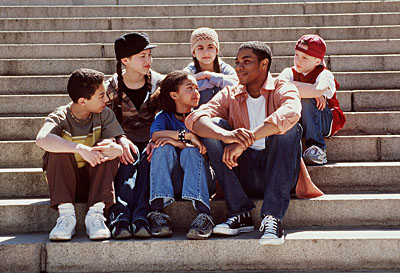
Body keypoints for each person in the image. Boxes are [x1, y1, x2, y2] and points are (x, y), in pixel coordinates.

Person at [185, 41, 323, 246]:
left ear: (264, 64)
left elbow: (291, 112)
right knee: (213, 126)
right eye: (237, 62)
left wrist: (246, 140)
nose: (239, 67)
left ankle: (273, 218)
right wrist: (225, 136)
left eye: (246, 62)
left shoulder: (282, 88)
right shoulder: (230, 93)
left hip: (278, 171)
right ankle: (240, 213)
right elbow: (195, 119)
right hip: (242, 172)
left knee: (288, 129)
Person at [36, 68, 124, 241]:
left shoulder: (105, 114)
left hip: (96, 184)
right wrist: (78, 148)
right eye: (101, 96)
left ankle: (96, 215)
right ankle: (66, 216)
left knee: (104, 147)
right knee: (56, 149)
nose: (106, 99)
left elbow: (113, 144)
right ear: (83, 101)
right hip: (66, 184)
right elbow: (41, 139)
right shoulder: (61, 115)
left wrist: (117, 150)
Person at [105, 32, 165, 239]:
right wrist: (119, 139)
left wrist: (156, 140)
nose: (148, 60)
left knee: (149, 162)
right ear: (125, 60)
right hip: (125, 140)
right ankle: (120, 218)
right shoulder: (111, 87)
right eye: (142, 56)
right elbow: (104, 119)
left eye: (150, 55)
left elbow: (167, 115)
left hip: (152, 141)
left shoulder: (159, 83)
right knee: (127, 164)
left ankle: (141, 216)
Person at [147, 71, 215, 239]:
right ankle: (156, 212)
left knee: (190, 151)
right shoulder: (163, 117)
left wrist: (179, 142)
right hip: (173, 181)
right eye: (189, 88)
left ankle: (204, 214)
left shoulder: (201, 115)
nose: (196, 92)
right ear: (174, 95)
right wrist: (185, 138)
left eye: (197, 88)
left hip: (202, 179)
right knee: (162, 148)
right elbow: (155, 135)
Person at [278, 34, 346, 165]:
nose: (298, 60)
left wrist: (311, 91)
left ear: (317, 61)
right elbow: (277, 87)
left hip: (325, 120)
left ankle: (317, 147)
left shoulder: (324, 74)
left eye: (304, 57)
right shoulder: (289, 72)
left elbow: (317, 90)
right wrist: (310, 89)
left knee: (307, 100)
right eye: (296, 55)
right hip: (301, 118)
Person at [183, 27, 238, 106]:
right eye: (200, 48)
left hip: (224, 112)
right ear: (193, 53)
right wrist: (215, 81)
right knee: (206, 93)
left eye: (210, 47)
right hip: (198, 112)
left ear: (216, 50)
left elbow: (236, 85)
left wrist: (207, 75)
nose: (206, 53)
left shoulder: (225, 68)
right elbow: (182, 87)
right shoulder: (189, 71)